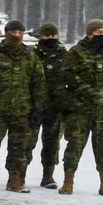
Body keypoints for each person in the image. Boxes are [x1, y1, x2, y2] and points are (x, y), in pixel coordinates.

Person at [0, 19, 44, 193]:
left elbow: (38, 83)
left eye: (20, 32)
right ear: (5, 33)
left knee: (19, 147)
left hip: (22, 109)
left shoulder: (30, 57)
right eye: (13, 32)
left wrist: (37, 108)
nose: (16, 36)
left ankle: (15, 180)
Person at [59, 19, 103, 197]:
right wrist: (89, 92)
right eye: (99, 33)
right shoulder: (76, 53)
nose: (102, 36)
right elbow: (68, 75)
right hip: (79, 108)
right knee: (75, 146)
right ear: (89, 34)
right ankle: (68, 182)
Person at [33, 23, 71, 188]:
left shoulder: (66, 55)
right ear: (41, 36)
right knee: (26, 142)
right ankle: (18, 175)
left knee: (52, 143)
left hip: (56, 106)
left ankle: (48, 176)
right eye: (47, 35)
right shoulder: (32, 54)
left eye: (53, 35)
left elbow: (72, 78)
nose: (51, 38)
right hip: (34, 104)